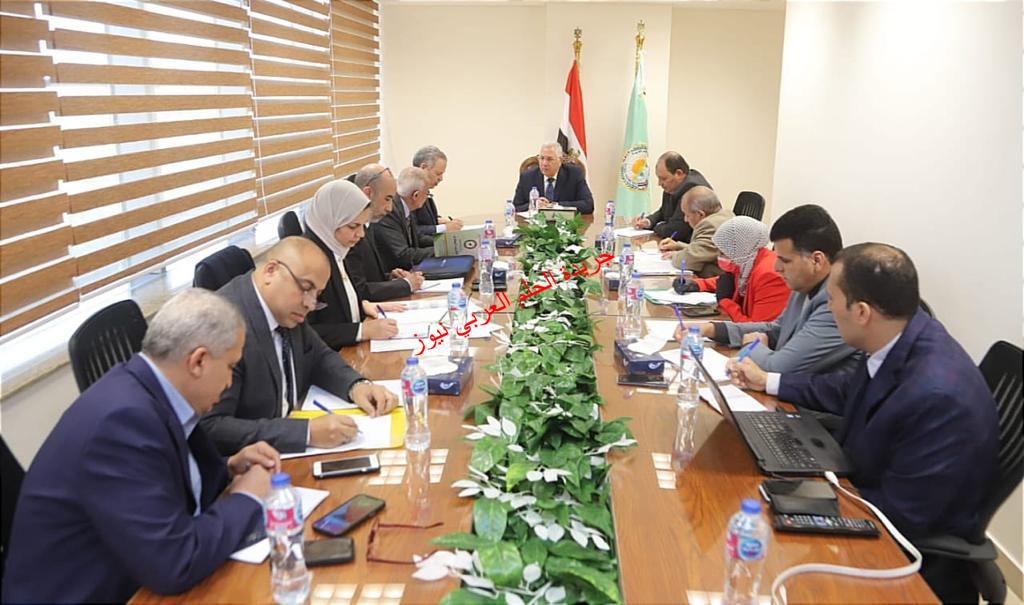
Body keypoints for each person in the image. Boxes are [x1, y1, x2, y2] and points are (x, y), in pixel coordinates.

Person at [727, 243, 998, 603]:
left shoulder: (938, 396)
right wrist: (768, 381)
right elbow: (846, 390)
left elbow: (900, 516)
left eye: (832, 299)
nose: (828, 308)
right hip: (864, 486)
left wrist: (797, 498)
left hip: (899, 560)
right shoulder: (902, 337)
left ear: (861, 312)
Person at [2, 289, 280, 603]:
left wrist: (229, 468)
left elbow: (159, 477)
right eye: (230, 366)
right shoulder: (121, 423)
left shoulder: (149, 388)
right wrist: (247, 496)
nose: (230, 382)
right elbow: (177, 562)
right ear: (198, 361)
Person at [202, 237, 397, 455]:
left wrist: (357, 386)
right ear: (271, 271)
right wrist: (305, 433)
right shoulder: (222, 325)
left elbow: (318, 355)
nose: (310, 304)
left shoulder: (286, 307)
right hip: (254, 463)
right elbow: (211, 427)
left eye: (317, 295)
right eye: (306, 288)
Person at [677, 204, 861, 374]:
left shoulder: (837, 303)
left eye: (785, 260)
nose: (777, 267)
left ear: (816, 260)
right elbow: (776, 329)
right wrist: (711, 329)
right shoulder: (805, 284)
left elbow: (779, 367)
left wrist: (752, 346)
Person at [302, 179, 404, 350]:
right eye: (353, 226)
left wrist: (362, 306)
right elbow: (304, 333)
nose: (361, 234)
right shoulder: (307, 262)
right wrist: (361, 330)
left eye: (362, 226)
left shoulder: (336, 248)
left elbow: (338, 305)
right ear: (330, 220)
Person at [676, 216, 790, 322]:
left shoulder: (770, 276)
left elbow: (757, 329)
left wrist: (726, 302)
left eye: (723, 253)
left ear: (740, 250)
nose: (719, 257)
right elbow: (729, 281)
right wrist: (697, 284)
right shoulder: (749, 260)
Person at [344, 163, 425, 301]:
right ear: (368, 193)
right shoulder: (350, 233)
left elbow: (370, 277)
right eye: (387, 199)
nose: (390, 208)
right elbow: (359, 290)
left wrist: (390, 277)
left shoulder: (368, 225)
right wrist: (405, 284)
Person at [633, 151, 712, 242]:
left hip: (695, 245)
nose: (659, 183)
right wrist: (648, 221)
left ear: (679, 173)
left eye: (663, 178)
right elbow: (664, 211)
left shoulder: (692, 189)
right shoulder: (674, 185)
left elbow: (676, 230)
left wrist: (657, 226)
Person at [656, 186, 733, 277]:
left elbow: (687, 261)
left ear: (700, 214)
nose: (685, 220)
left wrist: (674, 256)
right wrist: (678, 246)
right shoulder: (726, 215)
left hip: (719, 281)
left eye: (687, 215)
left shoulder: (710, 225)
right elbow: (707, 251)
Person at [371, 166, 436, 270]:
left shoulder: (405, 205)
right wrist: (440, 250)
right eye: (427, 193)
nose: (427, 197)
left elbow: (418, 238)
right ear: (416, 195)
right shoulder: (389, 212)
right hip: (396, 272)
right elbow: (403, 255)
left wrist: (444, 243)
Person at [512, 141, 594, 214]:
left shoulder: (574, 174)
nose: (544, 163)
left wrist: (554, 206)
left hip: (565, 223)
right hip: (534, 224)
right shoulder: (527, 176)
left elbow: (588, 205)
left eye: (549, 159)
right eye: (542, 158)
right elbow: (516, 207)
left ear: (560, 160)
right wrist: (534, 205)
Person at [411, 145, 463, 240]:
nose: (441, 178)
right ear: (423, 168)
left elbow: (424, 220)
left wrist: (439, 220)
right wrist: (444, 228)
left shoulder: (425, 191)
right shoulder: (409, 193)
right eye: (438, 173)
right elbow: (411, 230)